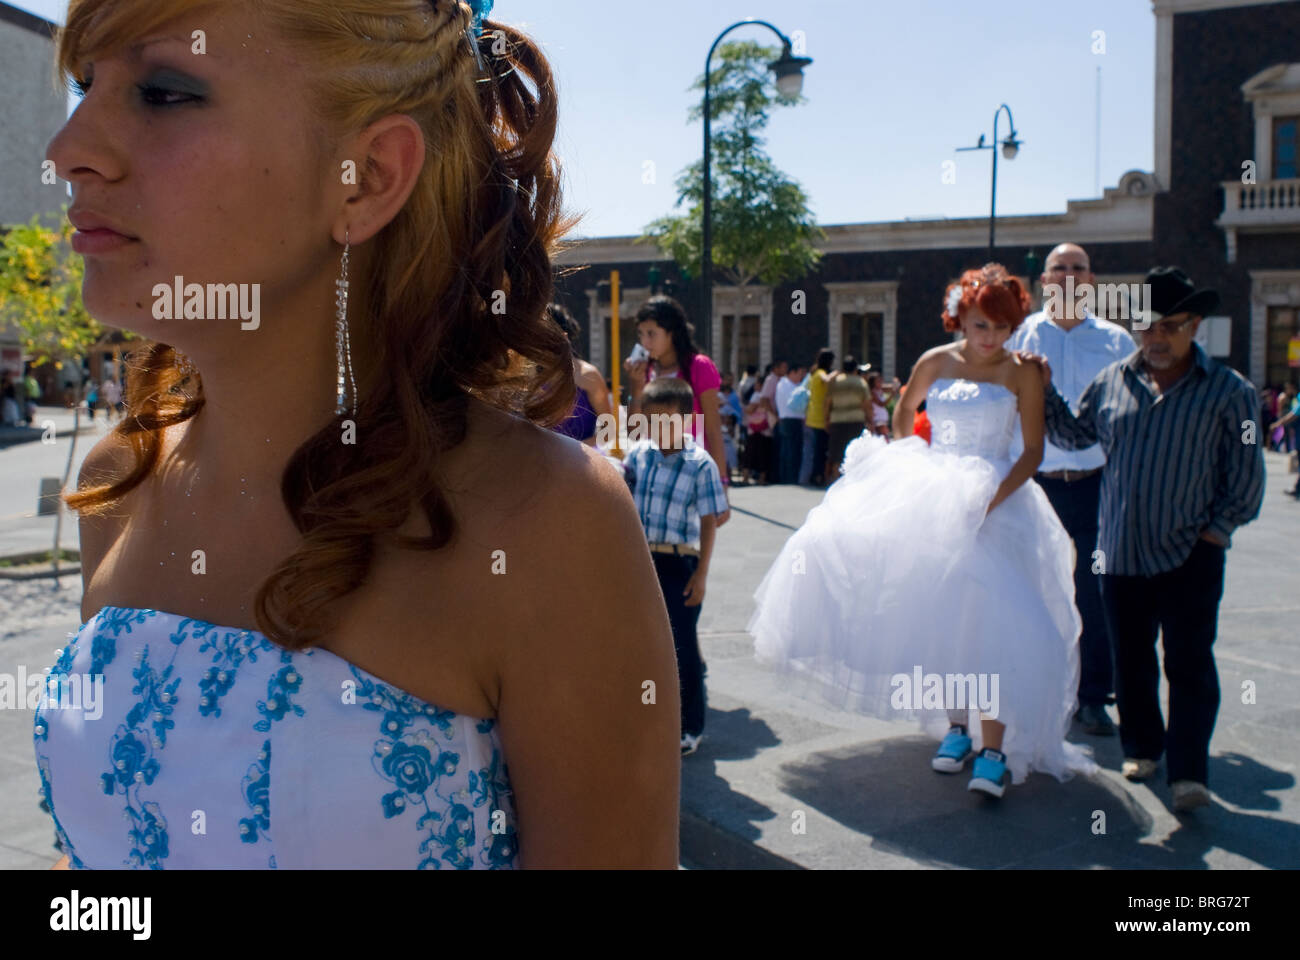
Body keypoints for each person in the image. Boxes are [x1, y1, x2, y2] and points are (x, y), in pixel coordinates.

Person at [37, 0, 679, 870]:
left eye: (163, 92)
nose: (68, 147)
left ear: (369, 176)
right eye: (85, 84)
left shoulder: (546, 521)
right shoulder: (122, 478)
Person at [749, 263, 1095, 798]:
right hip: (938, 498)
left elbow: (1032, 452)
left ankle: (996, 748)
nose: (992, 338)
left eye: (1002, 328)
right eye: (982, 325)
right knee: (945, 618)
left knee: (997, 624)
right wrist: (918, 466)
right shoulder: (935, 361)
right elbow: (905, 412)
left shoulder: (1023, 371)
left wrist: (988, 501)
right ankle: (956, 729)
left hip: (1000, 502)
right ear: (960, 318)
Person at [1023, 265, 1266, 813]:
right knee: (1131, 660)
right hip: (1120, 550)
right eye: (1146, 327)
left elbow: (1246, 474)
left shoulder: (1230, 392)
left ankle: (1188, 773)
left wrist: (1217, 532)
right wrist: (1041, 387)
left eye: (1169, 326)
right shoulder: (1113, 381)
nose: (1156, 338)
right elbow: (1075, 432)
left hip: (1191, 553)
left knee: (1189, 663)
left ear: (1194, 326)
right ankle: (1142, 748)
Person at [1008, 242, 1137, 737]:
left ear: (1091, 281)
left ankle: (1092, 697)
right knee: (1031, 590)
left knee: (1095, 593)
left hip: (1097, 485)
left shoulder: (1117, 342)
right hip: (1034, 483)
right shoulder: (1020, 337)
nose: (1067, 276)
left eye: (1077, 268)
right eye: (1058, 268)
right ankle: (1034, 688)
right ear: (1043, 280)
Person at [622, 377, 728, 757]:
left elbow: (708, 520)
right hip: (641, 561)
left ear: (686, 419)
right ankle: (649, 717)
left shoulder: (700, 464)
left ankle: (691, 726)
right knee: (643, 645)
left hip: (679, 562)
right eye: (650, 420)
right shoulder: (639, 455)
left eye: (667, 420)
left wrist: (701, 575)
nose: (658, 428)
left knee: (682, 647)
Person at [624, 295, 730, 526]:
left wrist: (722, 482)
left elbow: (713, 428)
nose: (645, 342)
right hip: (651, 473)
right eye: (641, 334)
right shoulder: (645, 371)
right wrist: (636, 386)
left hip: (690, 471)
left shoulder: (698, 367)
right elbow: (634, 432)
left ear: (671, 333)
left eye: (651, 333)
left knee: (686, 546)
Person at [546, 303, 613, 447]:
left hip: (581, 462)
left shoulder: (589, 376)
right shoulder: (530, 376)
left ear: (564, 337)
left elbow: (610, 430)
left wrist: (574, 451)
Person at [823, 356, 869, 483]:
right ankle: (852, 481)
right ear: (855, 369)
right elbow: (866, 404)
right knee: (855, 453)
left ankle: (834, 481)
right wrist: (870, 420)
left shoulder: (835, 382)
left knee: (836, 454)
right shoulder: (861, 382)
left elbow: (827, 402)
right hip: (856, 420)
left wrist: (826, 419)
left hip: (837, 420)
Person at [800, 348, 835, 487]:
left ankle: (816, 476)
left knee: (816, 450)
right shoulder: (820, 373)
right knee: (820, 451)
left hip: (813, 416)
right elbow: (826, 380)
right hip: (820, 418)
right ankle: (817, 477)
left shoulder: (813, 373)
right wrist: (838, 373)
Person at [774, 362, 806, 484]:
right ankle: (790, 478)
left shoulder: (782, 384)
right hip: (792, 420)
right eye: (799, 373)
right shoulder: (789, 385)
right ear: (792, 373)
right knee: (793, 451)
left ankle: (785, 477)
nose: (800, 377)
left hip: (785, 420)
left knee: (786, 450)